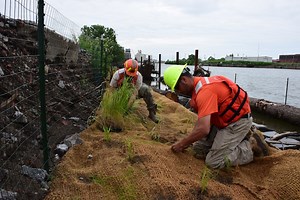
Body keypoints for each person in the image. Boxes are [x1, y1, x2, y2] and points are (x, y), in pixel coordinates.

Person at [163, 64, 269, 169]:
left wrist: (181, 144)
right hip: (222, 121)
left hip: (237, 123)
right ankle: (239, 139)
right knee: (199, 150)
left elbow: (203, 129)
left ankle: (251, 146)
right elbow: (202, 123)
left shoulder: (205, 92)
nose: (178, 92)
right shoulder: (199, 86)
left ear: (184, 80)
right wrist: (188, 141)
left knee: (213, 161)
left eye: (177, 88)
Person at [110, 59, 158, 123]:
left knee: (146, 89)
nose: (130, 75)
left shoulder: (139, 76)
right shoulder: (118, 74)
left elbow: (134, 93)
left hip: (132, 92)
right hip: (119, 92)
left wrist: (127, 108)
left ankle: (152, 113)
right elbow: (112, 89)